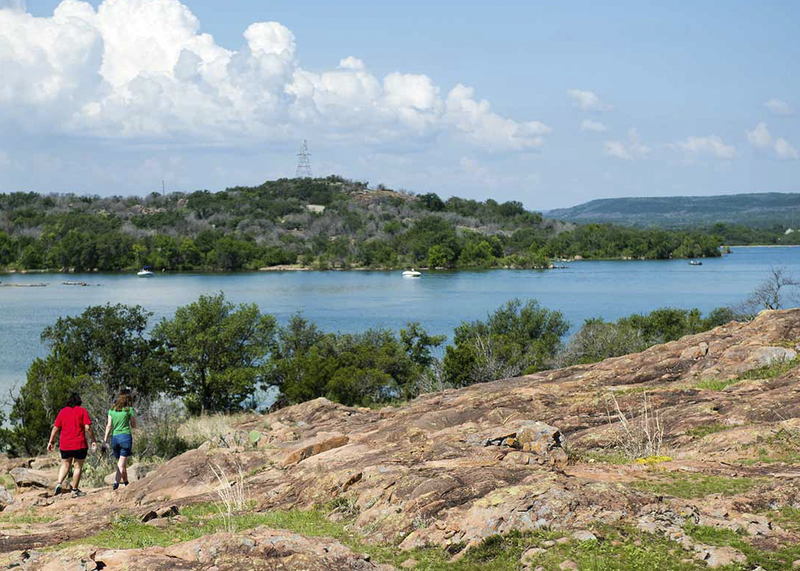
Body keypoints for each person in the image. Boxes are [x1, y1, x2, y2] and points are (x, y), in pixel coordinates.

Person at [47, 392, 97, 498]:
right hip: (80, 444)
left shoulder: (62, 412)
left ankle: (59, 483)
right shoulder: (82, 411)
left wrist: (50, 442)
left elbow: (55, 428)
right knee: (77, 467)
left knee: (65, 465)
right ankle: (74, 490)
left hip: (65, 444)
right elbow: (88, 427)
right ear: (79, 401)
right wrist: (93, 440)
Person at [103, 391, 136, 490]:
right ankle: (116, 483)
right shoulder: (129, 410)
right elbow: (133, 425)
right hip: (125, 437)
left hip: (115, 438)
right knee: (121, 463)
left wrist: (105, 440)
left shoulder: (111, 410)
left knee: (122, 462)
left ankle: (126, 483)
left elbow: (109, 425)